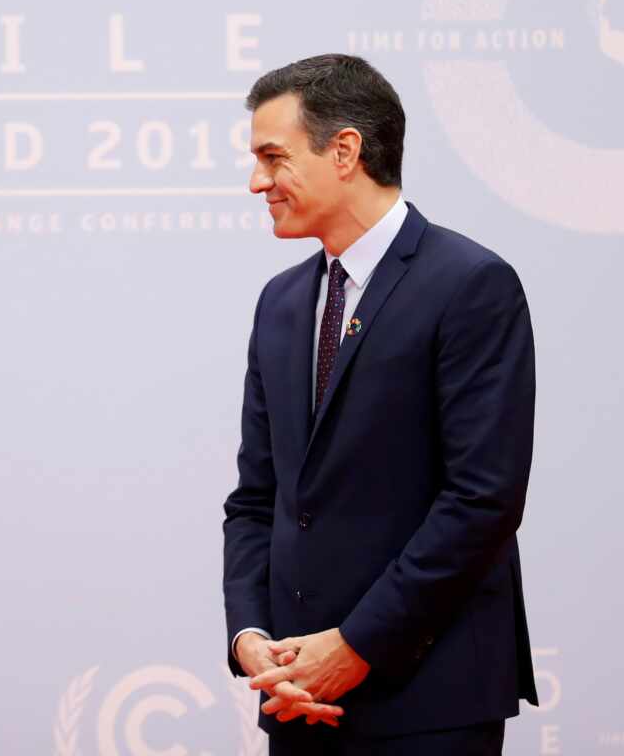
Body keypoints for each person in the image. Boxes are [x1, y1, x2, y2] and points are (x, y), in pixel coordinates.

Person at [221, 54, 538, 755]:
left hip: (429, 700)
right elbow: (256, 501)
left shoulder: (471, 285)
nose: (256, 182)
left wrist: (357, 645)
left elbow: (481, 500)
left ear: (344, 151)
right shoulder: (279, 304)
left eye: (273, 157)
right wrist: (252, 639)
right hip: (299, 698)